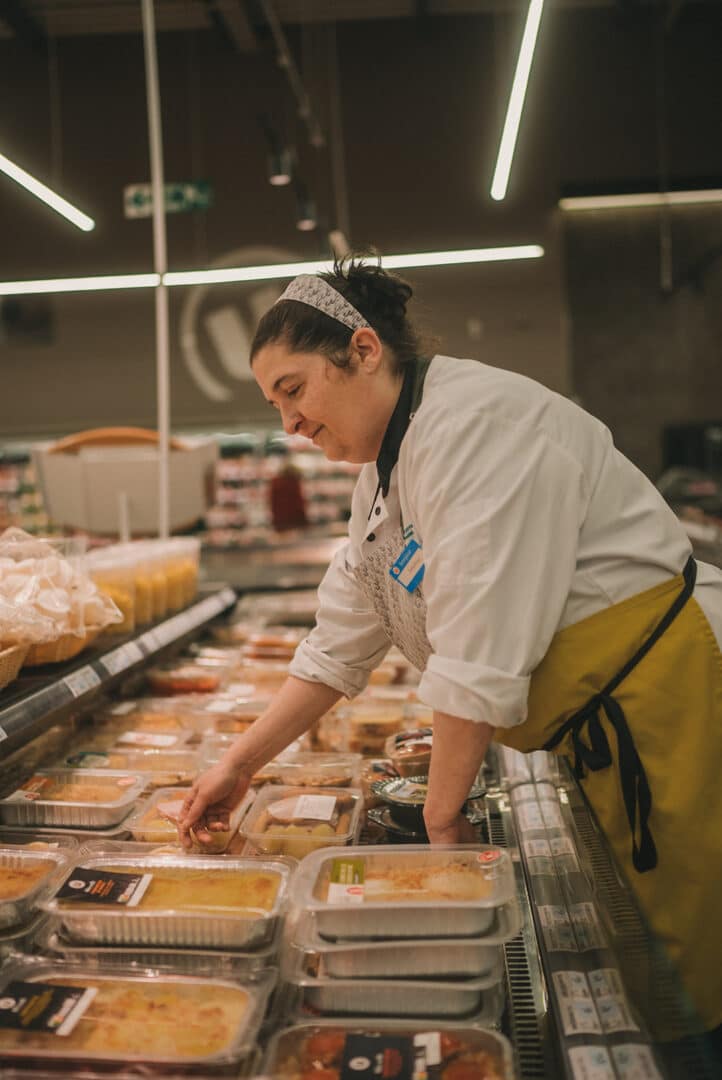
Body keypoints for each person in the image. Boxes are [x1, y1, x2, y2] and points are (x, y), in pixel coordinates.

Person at [179, 255, 722, 1039]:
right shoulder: (385, 477)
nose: (287, 424)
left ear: (363, 350)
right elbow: (339, 644)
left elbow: (479, 651)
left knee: (701, 940)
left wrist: (444, 826)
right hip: (603, 722)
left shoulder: (477, 427)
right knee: (655, 935)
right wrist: (237, 764)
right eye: (274, 404)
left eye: (294, 390)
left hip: (672, 699)